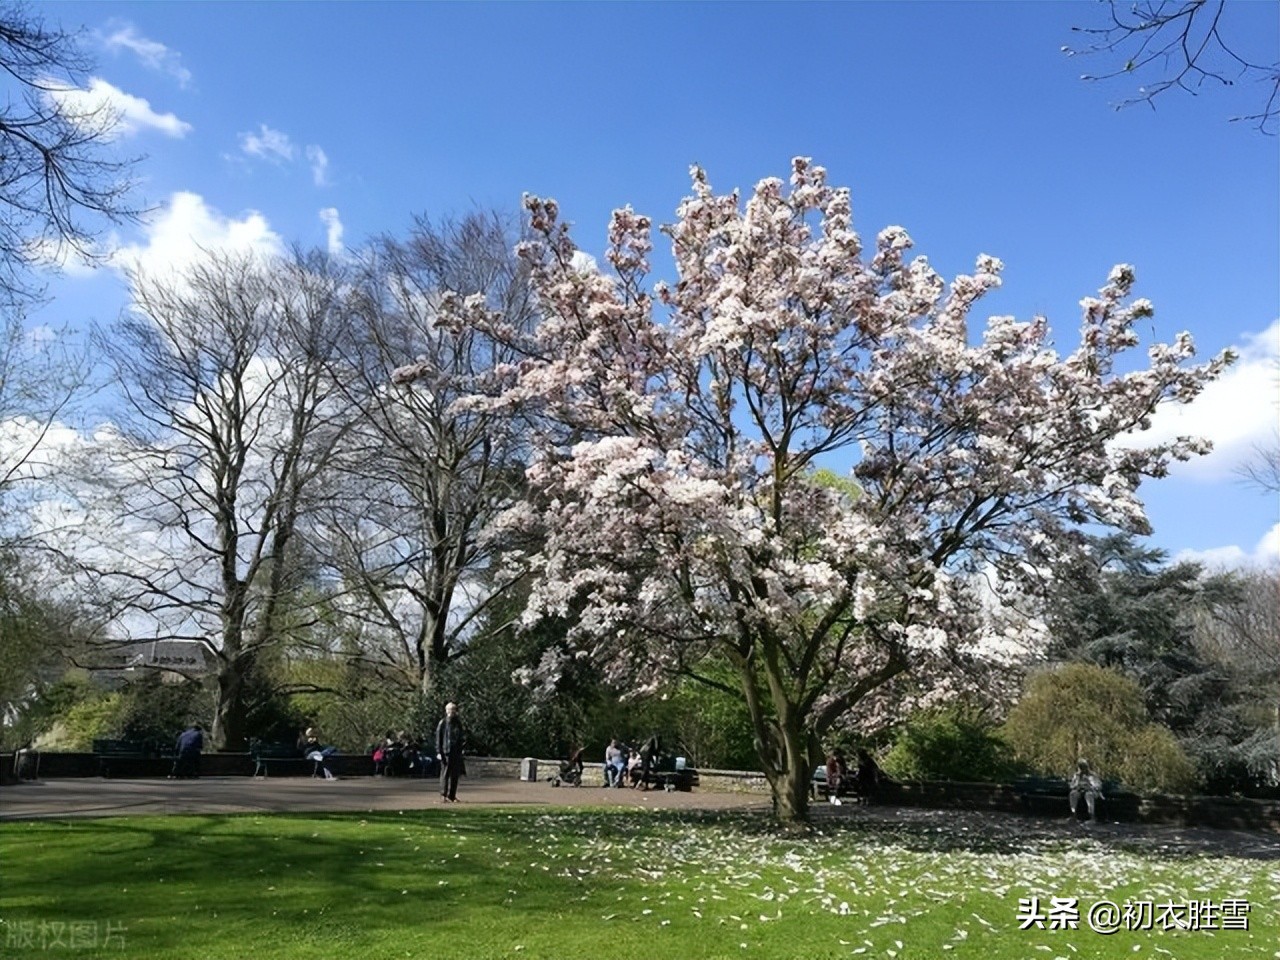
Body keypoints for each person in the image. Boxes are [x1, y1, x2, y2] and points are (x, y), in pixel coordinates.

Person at [435, 702, 466, 802]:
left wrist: (462, 749)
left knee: (455, 775)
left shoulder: (458, 723)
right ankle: (443, 795)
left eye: (453, 709)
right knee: (445, 774)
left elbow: (461, 737)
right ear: (446, 711)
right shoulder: (442, 723)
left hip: (456, 752)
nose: (451, 712)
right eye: (449, 709)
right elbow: (438, 738)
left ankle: (452, 796)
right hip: (446, 751)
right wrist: (439, 752)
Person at [1069, 759, 1104, 823]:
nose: (1082, 770)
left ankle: (1092, 817)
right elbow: (1072, 785)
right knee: (1073, 794)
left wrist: (1089, 786)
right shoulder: (1077, 775)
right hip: (1080, 791)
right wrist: (1077, 787)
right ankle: (1073, 814)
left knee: (1089, 795)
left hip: (1092, 792)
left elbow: (1098, 786)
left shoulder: (1092, 775)